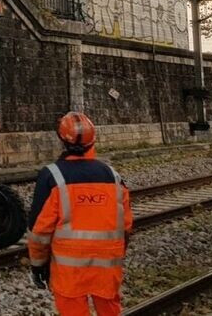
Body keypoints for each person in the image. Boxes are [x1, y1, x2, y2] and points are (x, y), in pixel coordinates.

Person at [27, 112, 133, 316]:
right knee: (110, 310)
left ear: (61, 140)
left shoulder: (52, 176)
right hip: (108, 264)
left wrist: (38, 265)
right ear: (92, 141)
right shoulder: (112, 175)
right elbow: (126, 225)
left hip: (69, 268)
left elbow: (39, 230)